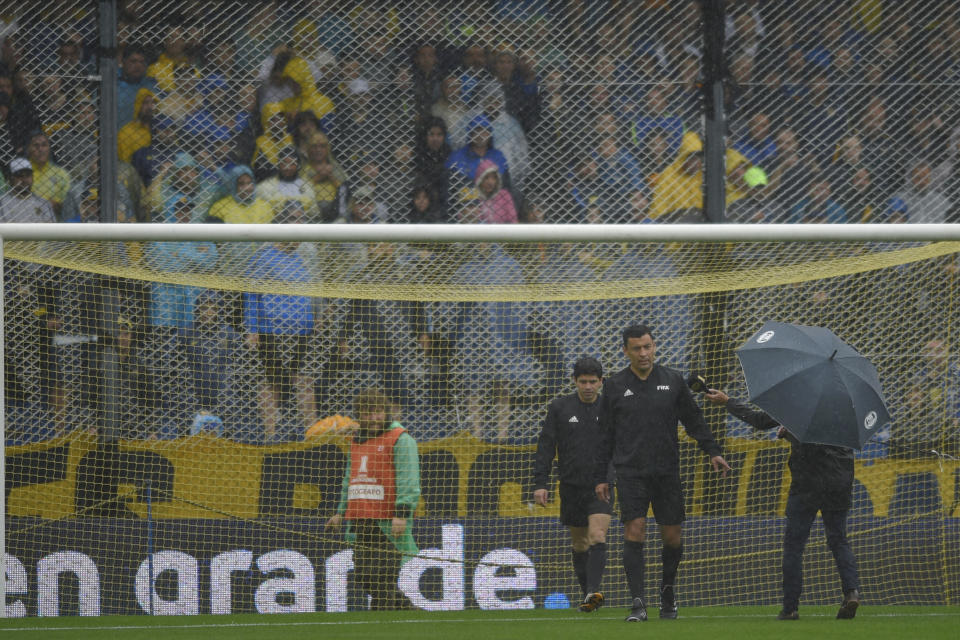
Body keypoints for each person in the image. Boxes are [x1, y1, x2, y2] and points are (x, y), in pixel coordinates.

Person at [595, 324, 731, 622]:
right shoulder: (615, 385)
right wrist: (601, 476)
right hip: (630, 472)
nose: (643, 353)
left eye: (647, 347)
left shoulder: (673, 380)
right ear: (626, 351)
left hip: (667, 471)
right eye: (636, 349)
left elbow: (693, 419)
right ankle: (638, 603)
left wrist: (713, 451)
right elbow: (605, 434)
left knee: (672, 537)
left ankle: (667, 592)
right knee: (635, 530)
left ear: (654, 346)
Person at [704, 387, 861, 621]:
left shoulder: (799, 398)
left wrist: (728, 401)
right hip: (840, 479)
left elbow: (759, 421)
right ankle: (851, 592)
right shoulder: (847, 402)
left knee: (794, 545)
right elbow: (832, 437)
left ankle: (790, 608)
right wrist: (791, 433)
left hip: (808, 480)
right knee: (838, 538)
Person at [325, 388, 420, 610]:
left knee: (383, 577)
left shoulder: (401, 439)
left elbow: (409, 480)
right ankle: (407, 610)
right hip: (360, 519)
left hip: (387, 521)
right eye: (367, 413)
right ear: (359, 415)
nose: (373, 417)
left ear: (386, 412)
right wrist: (340, 512)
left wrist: (401, 515)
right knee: (364, 576)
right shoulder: (356, 441)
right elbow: (350, 479)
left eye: (378, 412)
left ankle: (385, 621)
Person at [533, 357, 612, 613]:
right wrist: (541, 483)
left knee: (598, 535)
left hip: (602, 485)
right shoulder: (560, 408)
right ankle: (588, 595)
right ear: (575, 382)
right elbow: (546, 445)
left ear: (601, 382)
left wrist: (613, 477)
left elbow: (622, 444)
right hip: (571, 485)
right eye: (583, 382)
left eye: (593, 382)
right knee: (579, 544)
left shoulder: (611, 408)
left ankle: (593, 590)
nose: (588, 386)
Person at [0, 157, 55, 222]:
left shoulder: (43, 203)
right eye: (20, 175)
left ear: (32, 177)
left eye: (28, 175)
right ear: (11, 178)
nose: (24, 179)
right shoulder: (2, 203)